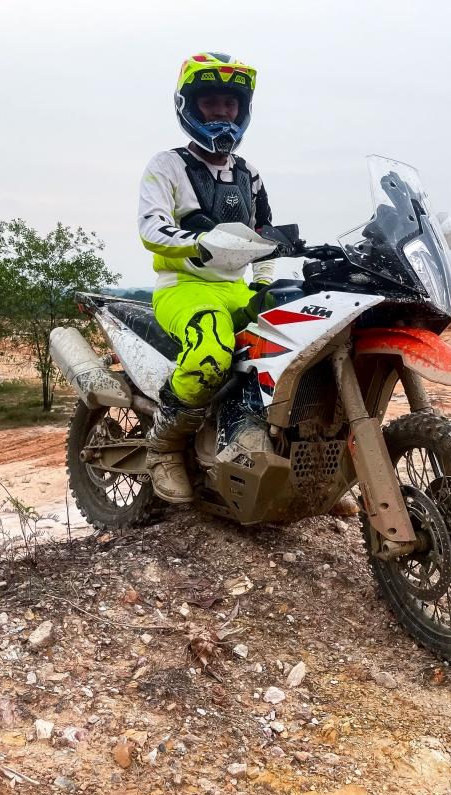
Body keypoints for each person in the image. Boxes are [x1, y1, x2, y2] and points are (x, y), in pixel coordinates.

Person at [137, 52, 284, 503]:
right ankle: (163, 447)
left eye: (230, 103)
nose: (222, 112)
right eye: (211, 102)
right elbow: (150, 228)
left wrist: (263, 283)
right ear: (190, 105)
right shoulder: (167, 165)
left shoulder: (249, 173)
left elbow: (266, 233)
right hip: (183, 288)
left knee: (297, 346)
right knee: (209, 353)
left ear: (243, 109)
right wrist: (199, 243)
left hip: (237, 290)